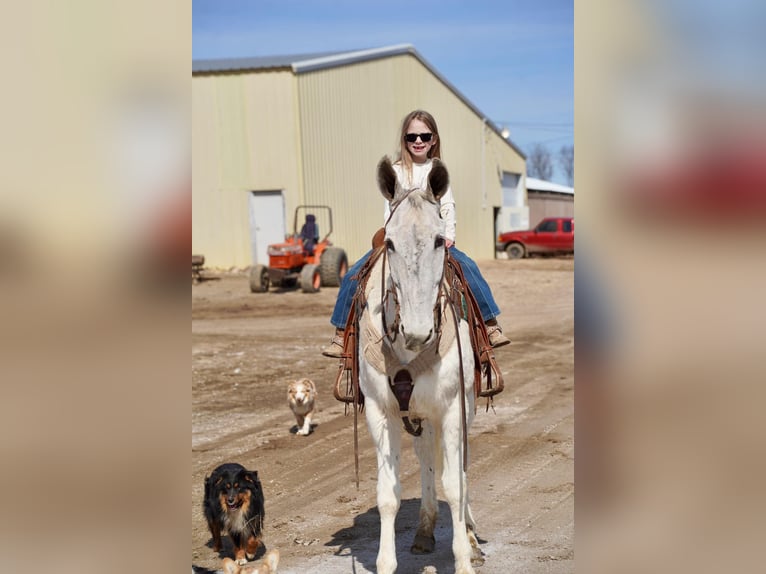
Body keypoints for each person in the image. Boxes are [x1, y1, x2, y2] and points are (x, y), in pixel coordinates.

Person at [322, 109, 510, 358]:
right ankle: (341, 333)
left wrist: (448, 235)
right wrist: (392, 239)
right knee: (354, 275)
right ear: (405, 140)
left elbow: (447, 206)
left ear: (433, 139)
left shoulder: (435, 169)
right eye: (412, 137)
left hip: (433, 240)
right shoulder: (397, 171)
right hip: (400, 240)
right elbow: (388, 212)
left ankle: (489, 325)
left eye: (424, 135)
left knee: (468, 268)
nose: (418, 141)